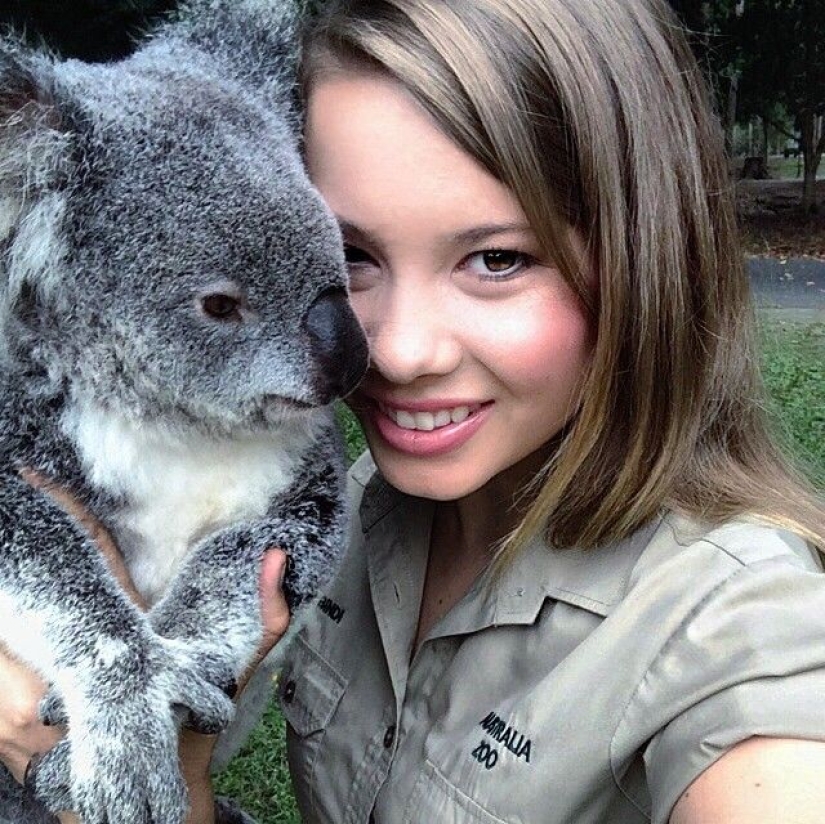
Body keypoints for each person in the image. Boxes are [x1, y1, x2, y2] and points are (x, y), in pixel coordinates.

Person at [2, 0, 825, 822]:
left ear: (648, 255)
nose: (392, 353)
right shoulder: (371, 507)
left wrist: (72, 772)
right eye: (350, 255)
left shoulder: (744, 638)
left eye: (497, 259)